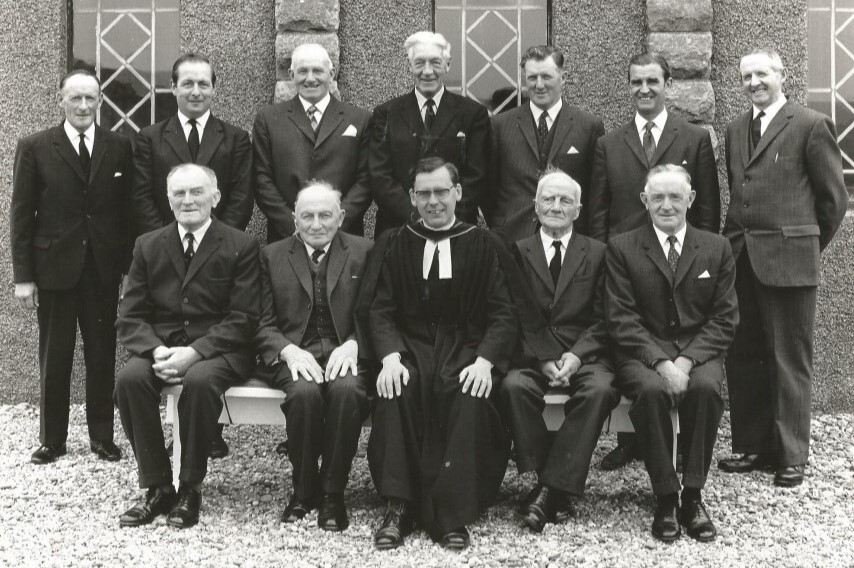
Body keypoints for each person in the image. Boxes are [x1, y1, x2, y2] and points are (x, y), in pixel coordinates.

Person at [363, 157, 517, 550]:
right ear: (412, 197)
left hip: (466, 347)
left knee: (469, 391)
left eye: (441, 191)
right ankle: (398, 506)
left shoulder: (483, 243)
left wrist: (485, 362)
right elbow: (380, 309)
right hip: (410, 346)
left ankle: (453, 511)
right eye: (424, 193)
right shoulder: (396, 243)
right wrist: (390, 357)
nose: (434, 201)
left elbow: (503, 313)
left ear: (458, 193)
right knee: (397, 388)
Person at [719, 48, 848, 487]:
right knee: (746, 354)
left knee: (789, 357)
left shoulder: (810, 125)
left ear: (781, 75)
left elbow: (832, 202)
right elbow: (741, 194)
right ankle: (754, 447)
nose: (754, 82)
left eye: (762, 74)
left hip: (790, 262)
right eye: (746, 76)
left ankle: (792, 453)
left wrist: (803, 246)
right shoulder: (736, 129)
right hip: (742, 259)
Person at [588, 52, 721, 471]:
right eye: (636, 82)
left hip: (679, 268)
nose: (644, 89)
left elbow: (707, 216)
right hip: (629, 269)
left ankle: (681, 451)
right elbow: (597, 215)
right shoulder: (609, 144)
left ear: (667, 84)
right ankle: (634, 440)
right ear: (628, 87)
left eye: (652, 81)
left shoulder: (694, 138)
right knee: (635, 355)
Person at [114, 163, 260, 529]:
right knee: (129, 380)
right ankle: (159, 486)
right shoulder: (148, 245)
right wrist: (155, 351)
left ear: (216, 197)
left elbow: (244, 317)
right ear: (168, 199)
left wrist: (195, 353)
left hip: (220, 349)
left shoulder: (242, 244)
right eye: (179, 193)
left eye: (197, 192)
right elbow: (129, 316)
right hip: (162, 348)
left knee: (198, 381)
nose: (188, 200)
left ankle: (189, 487)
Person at [605, 165, 738, 543]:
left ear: (690, 200)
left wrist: (686, 361)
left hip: (698, 351)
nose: (667, 205)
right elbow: (621, 318)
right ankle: (665, 495)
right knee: (649, 391)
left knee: (707, 390)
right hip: (641, 351)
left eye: (675, 197)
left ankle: (693, 496)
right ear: (644, 201)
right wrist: (661, 362)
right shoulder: (622, 246)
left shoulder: (716, 247)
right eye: (658, 197)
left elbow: (725, 318)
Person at [132, 52, 253, 456]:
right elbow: (148, 199)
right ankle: (161, 472)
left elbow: (238, 198)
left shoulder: (235, 138)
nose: (196, 91)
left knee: (205, 370)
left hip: (218, 250)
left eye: (204, 84)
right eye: (188, 83)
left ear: (214, 89)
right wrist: (168, 241)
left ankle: (206, 434)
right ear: (174, 88)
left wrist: (213, 238)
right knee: (133, 379)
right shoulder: (149, 138)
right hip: (167, 250)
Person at [11, 69, 132, 465]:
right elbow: (20, 214)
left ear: (100, 102)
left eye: (90, 99)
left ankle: (102, 437)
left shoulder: (118, 146)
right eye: (75, 98)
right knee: (56, 354)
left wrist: (129, 269)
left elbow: (127, 213)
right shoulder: (35, 146)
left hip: (102, 268)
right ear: (60, 99)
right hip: (55, 268)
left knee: (102, 353)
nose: (83, 106)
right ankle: (52, 440)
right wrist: (24, 278)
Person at [498, 168, 619, 532]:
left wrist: (577, 355)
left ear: (578, 209)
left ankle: (548, 489)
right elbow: (511, 314)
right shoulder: (516, 251)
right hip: (533, 354)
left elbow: (605, 316)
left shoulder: (598, 253)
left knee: (600, 389)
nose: (556, 206)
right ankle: (554, 483)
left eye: (565, 200)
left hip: (585, 354)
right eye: (548, 199)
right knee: (513, 387)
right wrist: (543, 357)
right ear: (534, 206)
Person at [255, 182, 372, 531]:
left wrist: (355, 343)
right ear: (294, 219)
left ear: (341, 218)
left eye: (325, 215)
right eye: (307, 215)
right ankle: (304, 490)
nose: (316, 223)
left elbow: (379, 311)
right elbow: (259, 321)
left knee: (348, 391)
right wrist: (287, 350)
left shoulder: (365, 251)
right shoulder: (271, 255)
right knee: (304, 394)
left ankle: (333, 493)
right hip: (293, 354)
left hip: (346, 353)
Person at [369, 31, 489, 235]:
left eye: (435, 63)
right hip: (399, 229)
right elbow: (380, 176)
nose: (427, 71)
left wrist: (445, 216)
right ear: (409, 66)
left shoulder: (473, 114)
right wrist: (416, 216)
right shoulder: (386, 113)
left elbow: (477, 175)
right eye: (419, 63)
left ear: (447, 65)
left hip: (456, 227)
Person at [253, 43, 372, 241]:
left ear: (331, 73)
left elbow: (366, 180)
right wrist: (296, 225)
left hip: (343, 236)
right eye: (302, 71)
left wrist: (335, 222)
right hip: (287, 237)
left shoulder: (359, 119)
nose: (310, 78)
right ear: (291, 75)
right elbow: (261, 180)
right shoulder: (268, 119)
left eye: (317, 70)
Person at [485, 45, 605, 241]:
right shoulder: (499, 125)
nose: (539, 85)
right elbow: (488, 189)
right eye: (532, 78)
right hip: (512, 239)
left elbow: (596, 193)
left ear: (563, 78)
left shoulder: (589, 126)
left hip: (570, 240)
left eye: (546, 77)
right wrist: (501, 226)